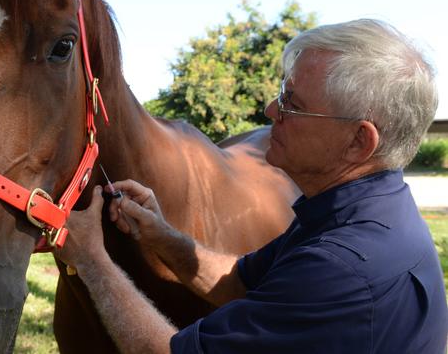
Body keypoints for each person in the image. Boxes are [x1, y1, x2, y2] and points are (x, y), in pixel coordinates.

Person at [54, 19, 448, 354]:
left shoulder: (342, 267)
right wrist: (162, 236)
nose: (270, 111)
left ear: (359, 141)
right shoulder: (350, 209)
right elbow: (237, 282)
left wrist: (91, 260)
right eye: (281, 94)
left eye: (292, 103)